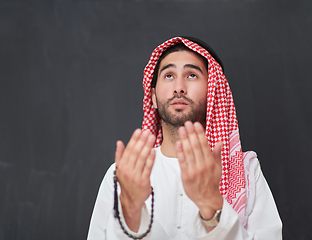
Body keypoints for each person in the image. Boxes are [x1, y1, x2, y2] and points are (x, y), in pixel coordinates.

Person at [87, 36, 282, 240]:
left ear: (212, 92)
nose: (179, 87)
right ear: (152, 96)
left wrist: (213, 207)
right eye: (169, 75)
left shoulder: (245, 173)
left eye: (191, 75)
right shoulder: (124, 175)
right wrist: (131, 214)